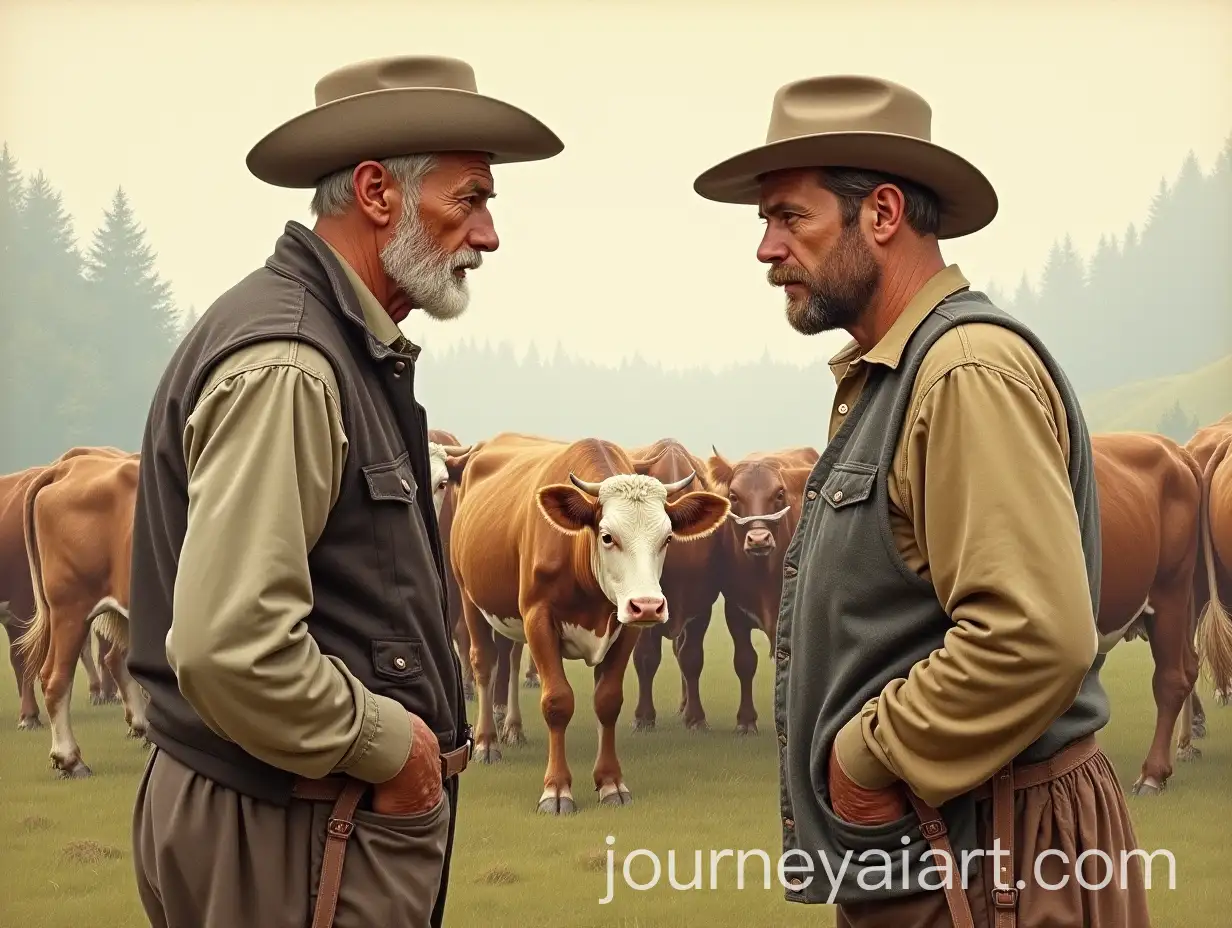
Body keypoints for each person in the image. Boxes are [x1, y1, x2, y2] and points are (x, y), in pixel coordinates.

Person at [693, 75, 1151, 927]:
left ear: (883, 214)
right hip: (949, 848)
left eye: (789, 217)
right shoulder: (902, 375)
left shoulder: (964, 372)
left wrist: (867, 758)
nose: (765, 248)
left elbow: (1034, 635)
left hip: (996, 853)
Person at [124, 55, 562, 928]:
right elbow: (231, 647)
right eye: (469, 200)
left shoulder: (330, 341)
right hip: (283, 822)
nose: (488, 236)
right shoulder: (291, 363)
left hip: (300, 814)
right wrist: (395, 750)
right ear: (376, 194)